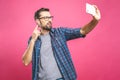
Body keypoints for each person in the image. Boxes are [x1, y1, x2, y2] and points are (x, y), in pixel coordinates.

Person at [22, 5, 101, 80]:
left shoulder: (60, 33)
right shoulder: (33, 39)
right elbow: (26, 62)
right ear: (38, 21)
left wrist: (95, 20)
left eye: (50, 17)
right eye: (46, 18)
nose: (49, 20)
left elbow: (82, 31)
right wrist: (33, 40)